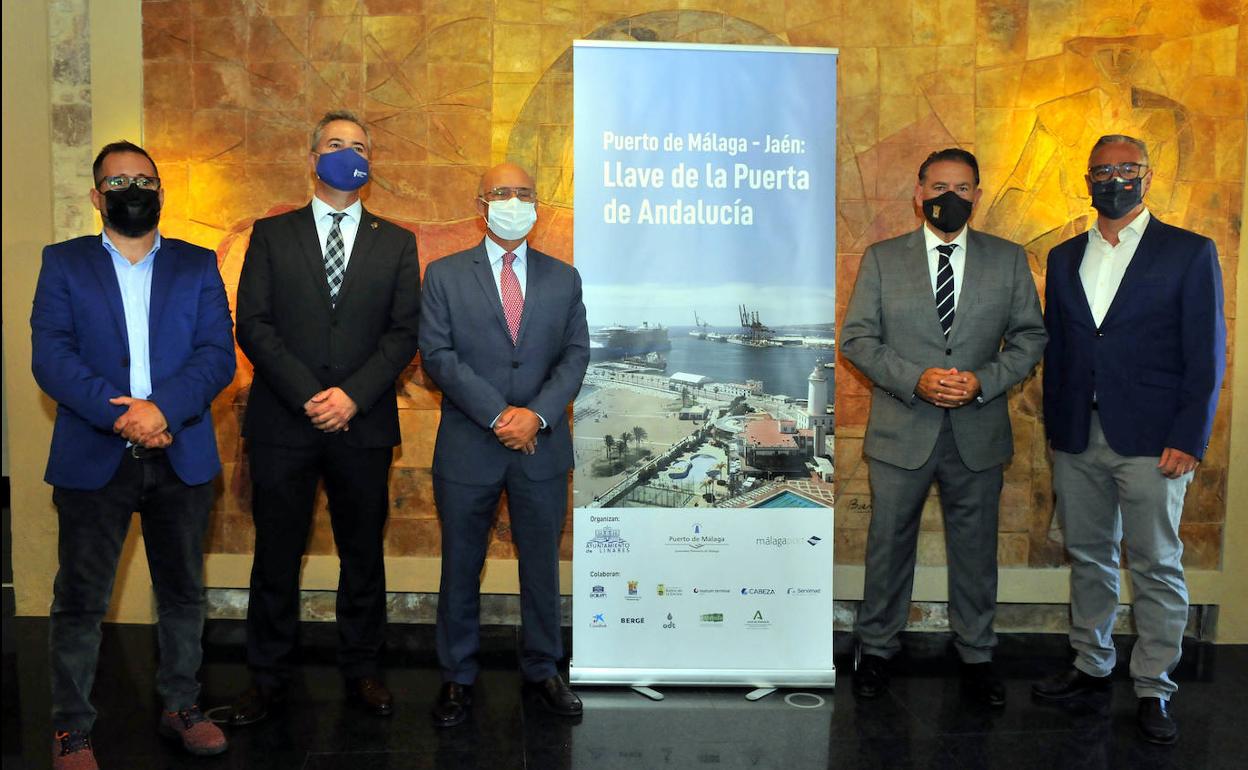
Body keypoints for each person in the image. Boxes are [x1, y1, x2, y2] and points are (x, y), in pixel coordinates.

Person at [32, 140, 235, 769]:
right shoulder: (62, 263)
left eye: (143, 180)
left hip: (182, 453)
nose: (131, 190)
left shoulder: (198, 265)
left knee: (181, 594)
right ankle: (72, 728)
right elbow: (52, 357)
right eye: (117, 182)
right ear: (96, 197)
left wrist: (161, 410)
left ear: (160, 192)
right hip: (94, 453)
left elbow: (216, 357)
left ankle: (181, 706)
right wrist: (125, 414)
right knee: (81, 602)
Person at [1032, 134, 1225, 744]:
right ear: (1086, 179)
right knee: (1088, 557)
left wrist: (1190, 436)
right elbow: (1061, 348)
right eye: (1102, 169)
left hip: (1155, 441)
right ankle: (1091, 666)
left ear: (1148, 174)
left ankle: (1153, 688)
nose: (1113, 178)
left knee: (1156, 565)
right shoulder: (1064, 258)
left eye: (1126, 168)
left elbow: (1207, 355)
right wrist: (1056, 430)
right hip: (1077, 435)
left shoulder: (1189, 252)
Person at [229, 111, 422, 724]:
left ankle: (364, 669)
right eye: (335, 145)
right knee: (276, 554)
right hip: (284, 422)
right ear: (312, 158)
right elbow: (252, 324)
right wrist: (313, 395)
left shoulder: (397, 242)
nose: (347, 153)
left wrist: (351, 397)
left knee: (363, 553)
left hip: (361, 424)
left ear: (371, 164)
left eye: (358, 146)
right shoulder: (270, 234)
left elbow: (402, 333)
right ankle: (267, 678)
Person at [840, 148, 1047, 706]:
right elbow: (857, 339)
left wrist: (983, 380)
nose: (947, 197)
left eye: (961, 187)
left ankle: (977, 655)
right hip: (901, 430)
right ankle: (877, 650)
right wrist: (916, 378)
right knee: (887, 546)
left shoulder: (1007, 260)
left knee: (976, 550)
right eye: (937, 186)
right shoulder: (883, 259)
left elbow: (1031, 337)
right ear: (918, 192)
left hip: (977, 432)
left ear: (978, 195)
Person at [420, 162, 589, 726]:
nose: (514, 201)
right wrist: (499, 415)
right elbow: (438, 357)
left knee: (541, 564)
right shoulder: (443, 275)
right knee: (461, 565)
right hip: (470, 444)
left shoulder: (564, 277)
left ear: (537, 204)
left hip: (541, 446)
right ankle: (457, 677)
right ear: (480, 204)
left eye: (524, 193)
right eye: (502, 192)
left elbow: (575, 356)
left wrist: (536, 416)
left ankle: (544, 668)